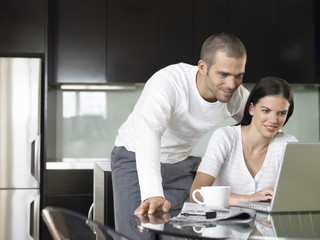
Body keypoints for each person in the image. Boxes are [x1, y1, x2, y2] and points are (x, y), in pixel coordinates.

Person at [111, 32, 249, 239]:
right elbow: (149, 134)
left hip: (180, 165)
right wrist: (153, 193)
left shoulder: (235, 97)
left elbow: (259, 124)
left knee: (183, 234)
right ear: (203, 67)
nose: (231, 84)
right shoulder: (169, 82)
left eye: (239, 75)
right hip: (134, 158)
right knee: (135, 235)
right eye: (223, 74)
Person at [190, 76, 298, 206]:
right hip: (222, 224)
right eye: (266, 111)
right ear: (252, 108)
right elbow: (197, 194)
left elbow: (302, 195)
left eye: (281, 113)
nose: (273, 120)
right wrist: (248, 199)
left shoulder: (288, 145)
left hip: (267, 224)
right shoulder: (225, 138)